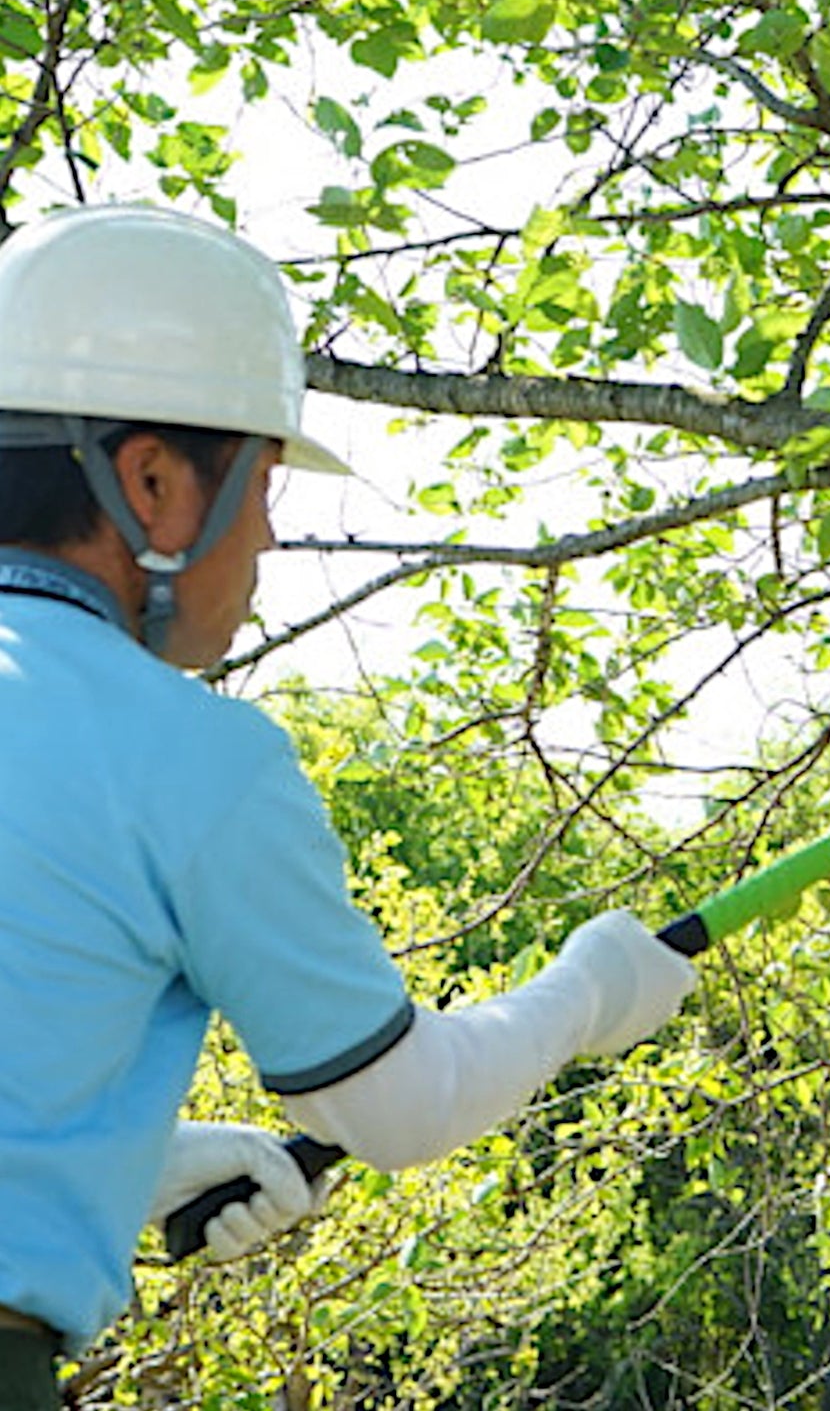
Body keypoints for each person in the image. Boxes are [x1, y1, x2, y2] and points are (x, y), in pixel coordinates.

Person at [0, 204, 698, 1408]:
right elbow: (397, 1103)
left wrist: (128, 1165)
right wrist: (590, 993)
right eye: (263, 485)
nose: (268, 537)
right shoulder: (188, 753)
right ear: (152, 482)